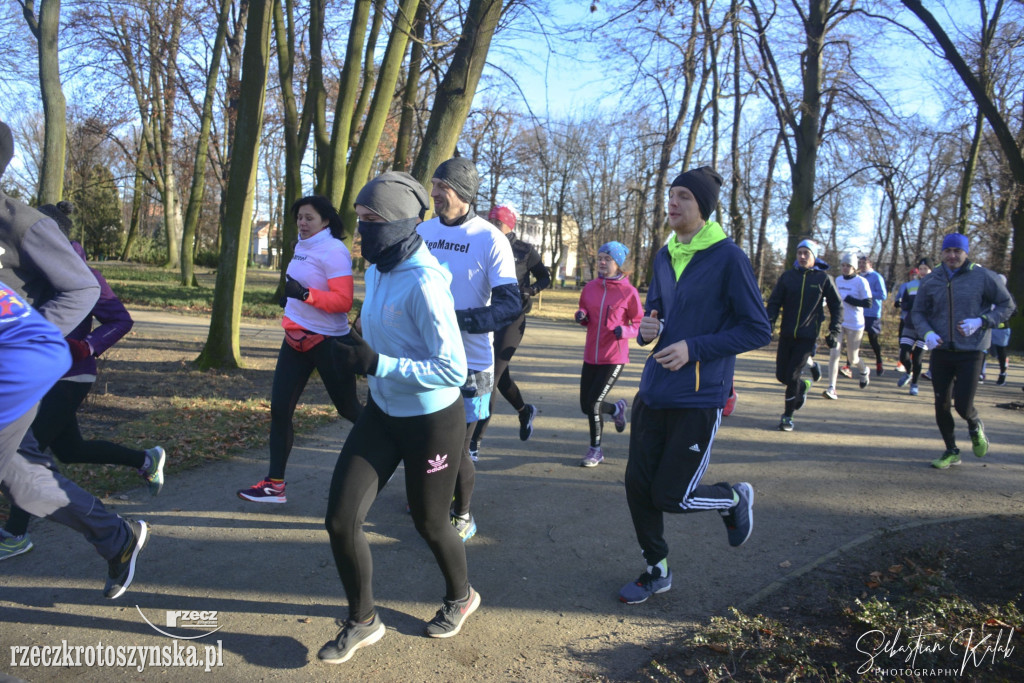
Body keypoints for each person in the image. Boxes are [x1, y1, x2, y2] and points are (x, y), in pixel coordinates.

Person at [320, 171, 476, 664]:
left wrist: (378, 364)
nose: (360, 231)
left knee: (431, 523)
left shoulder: (426, 282)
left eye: (370, 221)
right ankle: (363, 621)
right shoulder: (377, 269)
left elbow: (453, 368)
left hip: (432, 420)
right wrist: (353, 346)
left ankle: (461, 596)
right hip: (384, 411)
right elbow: (383, 335)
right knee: (341, 521)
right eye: (358, 220)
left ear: (400, 224)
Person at [0, 120, 147, 598]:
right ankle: (114, 532)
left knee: (32, 461)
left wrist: (55, 344)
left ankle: (106, 524)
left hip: (43, 372)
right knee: (29, 467)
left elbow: (100, 302)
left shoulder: (24, 225)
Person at [619, 166, 770, 604]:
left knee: (671, 495)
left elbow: (757, 329)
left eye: (684, 196)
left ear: (702, 206)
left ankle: (732, 498)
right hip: (655, 391)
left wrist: (694, 348)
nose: (673, 202)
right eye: (671, 195)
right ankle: (656, 569)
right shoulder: (665, 255)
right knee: (637, 488)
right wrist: (648, 329)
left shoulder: (728, 257)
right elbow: (657, 313)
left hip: (699, 397)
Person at [1, 202, 164, 561]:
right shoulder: (20, 266)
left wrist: (84, 346)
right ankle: (145, 462)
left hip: (70, 374)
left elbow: (120, 319)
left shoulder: (79, 271)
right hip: (35, 375)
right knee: (67, 450)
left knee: (28, 451)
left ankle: (15, 533)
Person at [417, 158, 520, 541]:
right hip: (424, 356)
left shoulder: (489, 237)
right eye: (433, 184)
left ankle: (463, 513)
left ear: (461, 190)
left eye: (440, 186)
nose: (434, 193)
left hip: (470, 362)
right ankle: (432, 497)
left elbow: (510, 305)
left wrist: (456, 320)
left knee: (457, 447)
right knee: (424, 436)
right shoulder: (422, 231)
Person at [238, 196, 361, 503]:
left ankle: (399, 444)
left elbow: (343, 303)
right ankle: (274, 485)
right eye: (300, 218)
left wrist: (305, 294)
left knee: (349, 410)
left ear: (326, 221)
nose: (303, 224)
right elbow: (302, 288)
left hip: (329, 343)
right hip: (295, 340)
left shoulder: (334, 251)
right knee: (280, 410)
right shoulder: (300, 245)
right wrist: (293, 301)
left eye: (309, 218)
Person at [911, 233, 1014, 469]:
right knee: (941, 404)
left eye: (958, 251)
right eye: (948, 251)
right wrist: (927, 333)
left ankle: (974, 423)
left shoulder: (982, 276)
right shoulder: (931, 279)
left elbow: (1008, 305)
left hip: (972, 349)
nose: (952, 255)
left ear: (966, 253)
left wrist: (982, 321)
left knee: (963, 405)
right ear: (942, 253)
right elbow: (918, 312)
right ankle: (951, 450)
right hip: (942, 349)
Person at [468, 202, 551, 461]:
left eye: (498, 222)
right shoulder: (482, 242)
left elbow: (545, 277)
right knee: (500, 377)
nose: (493, 226)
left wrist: (531, 290)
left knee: (489, 379)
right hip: (486, 316)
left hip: (512, 319)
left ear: (509, 224)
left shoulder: (524, 250)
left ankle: (474, 442)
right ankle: (525, 411)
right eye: (491, 220)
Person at [574, 241, 643, 466]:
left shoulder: (629, 292)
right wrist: (582, 315)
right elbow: (586, 311)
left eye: (607, 259)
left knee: (594, 404)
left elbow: (640, 324)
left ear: (618, 264)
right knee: (586, 405)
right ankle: (616, 409)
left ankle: (596, 450)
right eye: (600, 258)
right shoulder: (590, 287)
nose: (602, 263)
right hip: (590, 355)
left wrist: (626, 331)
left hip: (614, 357)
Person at [765, 238, 842, 431]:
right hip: (787, 334)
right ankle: (803, 386)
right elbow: (774, 302)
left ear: (814, 256)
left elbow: (837, 305)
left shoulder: (823, 279)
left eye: (806, 253)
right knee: (782, 375)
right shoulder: (787, 277)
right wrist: (769, 322)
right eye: (799, 253)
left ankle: (787, 416)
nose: (801, 256)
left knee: (791, 376)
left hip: (808, 336)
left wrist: (834, 330)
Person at [823, 252, 872, 399]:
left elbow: (868, 303)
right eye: (843, 265)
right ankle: (832, 388)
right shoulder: (837, 280)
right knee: (834, 354)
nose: (845, 268)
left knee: (853, 358)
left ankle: (864, 370)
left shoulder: (861, 282)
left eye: (848, 266)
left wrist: (851, 300)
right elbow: (830, 297)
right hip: (839, 322)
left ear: (854, 268)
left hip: (855, 324)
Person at [894, 258, 932, 396]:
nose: (922, 272)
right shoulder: (911, 285)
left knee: (917, 358)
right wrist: (908, 305)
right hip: (910, 323)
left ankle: (914, 383)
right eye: (921, 269)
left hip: (926, 327)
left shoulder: (936, 285)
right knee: (904, 354)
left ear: (931, 270)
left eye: (925, 269)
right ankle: (908, 372)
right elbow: (904, 303)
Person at [858, 254, 888, 376]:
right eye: (860, 263)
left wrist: (868, 294)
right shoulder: (858, 277)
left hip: (872, 313)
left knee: (873, 340)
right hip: (859, 312)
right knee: (854, 340)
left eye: (864, 263)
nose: (861, 266)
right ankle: (848, 366)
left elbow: (883, 295)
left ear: (870, 264)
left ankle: (879, 362)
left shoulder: (876, 277)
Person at [983, 274, 1012, 386]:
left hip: (1002, 329)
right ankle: (981, 373)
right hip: (989, 328)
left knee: (1000, 353)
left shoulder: (1008, 296)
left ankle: (1002, 373)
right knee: (984, 350)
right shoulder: (988, 295)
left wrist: (1002, 315)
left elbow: (1013, 310)